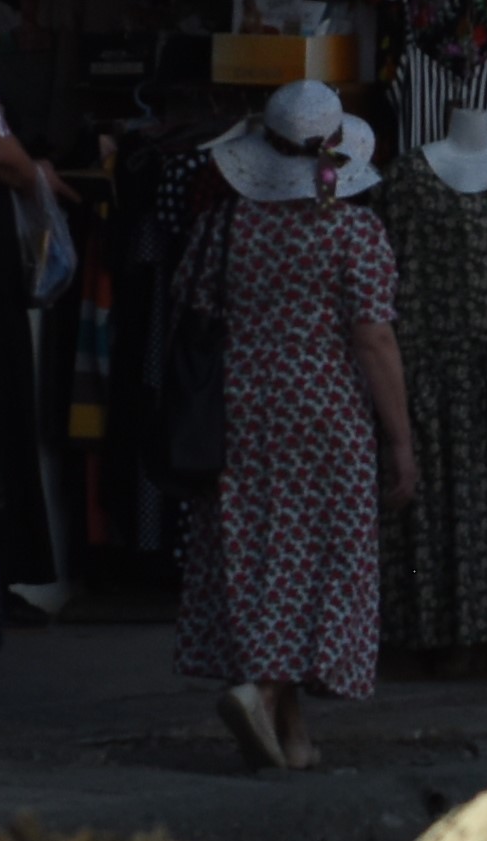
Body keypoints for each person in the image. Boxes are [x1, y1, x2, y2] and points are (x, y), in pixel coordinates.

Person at [178, 72, 419, 773]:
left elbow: (191, 305)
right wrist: (400, 441)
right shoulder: (352, 230)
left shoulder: (224, 225)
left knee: (260, 554)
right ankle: (264, 689)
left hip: (240, 405)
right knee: (319, 560)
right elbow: (374, 340)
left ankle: (290, 728)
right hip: (324, 410)